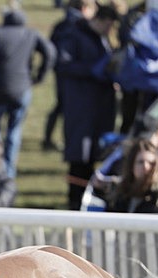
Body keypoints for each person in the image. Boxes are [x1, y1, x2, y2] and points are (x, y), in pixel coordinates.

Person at [0, 7, 56, 179]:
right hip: (22, 88)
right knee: (14, 132)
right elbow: (50, 52)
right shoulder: (31, 34)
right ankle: (9, 173)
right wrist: (40, 75)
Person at [56, 4, 119, 210]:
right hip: (81, 108)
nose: (109, 31)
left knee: (91, 158)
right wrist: (91, 70)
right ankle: (74, 203)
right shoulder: (74, 36)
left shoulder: (99, 39)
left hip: (98, 110)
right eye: (108, 26)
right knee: (79, 159)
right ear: (100, 20)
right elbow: (63, 64)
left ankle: (85, 202)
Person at [42, 0, 98, 152]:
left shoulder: (61, 24)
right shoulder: (79, 27)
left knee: (60, 104)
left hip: (61, 73)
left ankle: (47, 138)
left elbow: (50, 46)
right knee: (69, 108)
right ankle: (67, 142)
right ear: (84, 8)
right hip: (73, 74)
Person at [107, 139, 158, 213]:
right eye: (141, 162)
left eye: (151, 163)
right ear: (132, 166)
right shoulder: (121, 193)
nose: (146, 167)